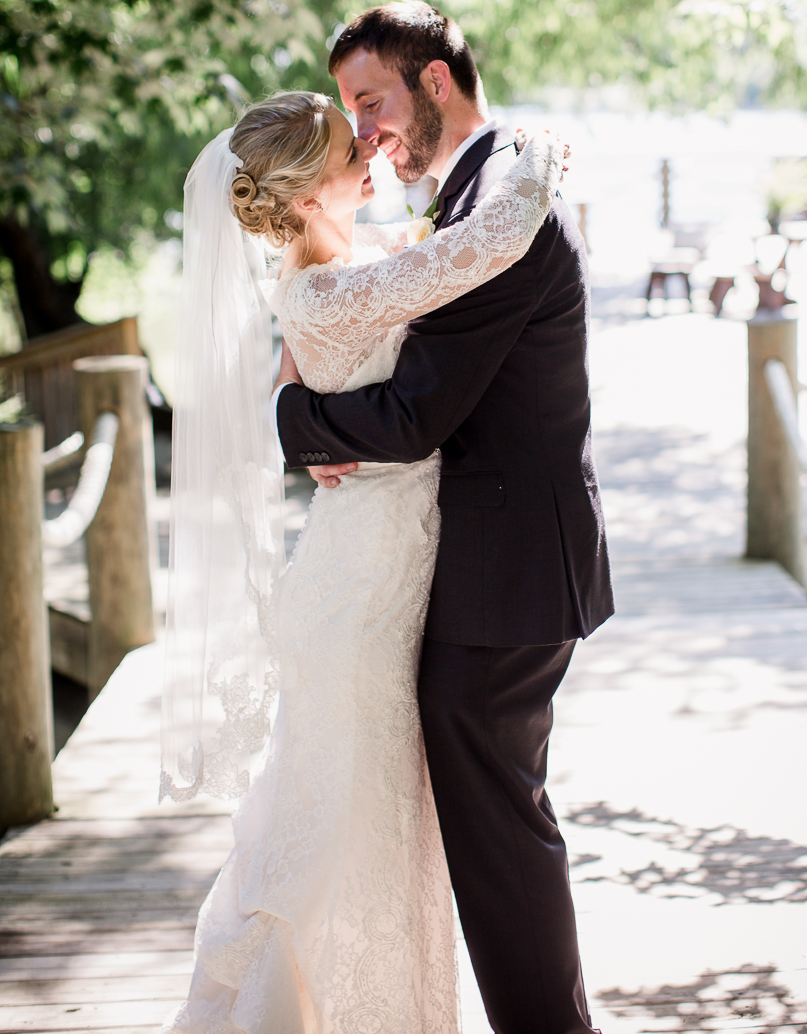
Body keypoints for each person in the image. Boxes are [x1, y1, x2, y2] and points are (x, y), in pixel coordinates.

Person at [160, 84, 568, 1033]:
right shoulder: (338, 289)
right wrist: (538, 146)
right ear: (306, 198)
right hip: (361, 603)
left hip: (369, 582)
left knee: (378, 839)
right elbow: (488, 243)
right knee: (347, 839)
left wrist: (286, 406)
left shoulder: (337, 271)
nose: (374, 155)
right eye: (352, 154)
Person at [274, 2, 613, 1034]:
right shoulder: (481, 192)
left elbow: (419, 410)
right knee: (498, 826)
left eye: (370, 102)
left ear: (433, 81)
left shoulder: (498, 214)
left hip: (504, 572)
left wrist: (296, 415)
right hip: (490, 561)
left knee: (501, 836)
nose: (364, 132)